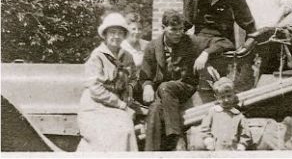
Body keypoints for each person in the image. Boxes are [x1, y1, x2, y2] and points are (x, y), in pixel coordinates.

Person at [186, 0, 257, 99]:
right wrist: (182, 30)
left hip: (223, 35)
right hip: (204, 32)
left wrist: (252, 32)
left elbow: (241, 10)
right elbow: (191, 9)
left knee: (225, 63)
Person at [77, 13, 147, 152]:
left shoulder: (127, 57)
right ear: (105, 35)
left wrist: (130, 101)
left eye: (120, 33)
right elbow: (95, 90)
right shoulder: (97, 56)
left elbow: (132, 81)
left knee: (126, 128)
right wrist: (122, 105)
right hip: (95, 107)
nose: (116, 36)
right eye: (112, 32)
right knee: (117, 131)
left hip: (116, 108)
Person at [140, 10, 204, 151]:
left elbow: (217, 42)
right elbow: (145, 76)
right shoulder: (152, 47)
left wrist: (206, 54)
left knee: (165, 87)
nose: (178, 33)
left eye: (181, 29)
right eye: (173, 29)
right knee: (155, 109)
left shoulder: (190, 42)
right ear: (163, 28)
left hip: (185, 87)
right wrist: (147, 87)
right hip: (163, 94)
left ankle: (177, 138)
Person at [193, 78, 249, 151]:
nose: (226, 100)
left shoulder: (238, 115)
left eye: (229, 96)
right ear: (217, 97)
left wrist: (242, 145)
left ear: (234, 95)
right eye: (222, 97)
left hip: (233, 151)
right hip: (216, 149)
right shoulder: (213, 112)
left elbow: (245, 133)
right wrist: (209, 141)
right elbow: (204, 129)